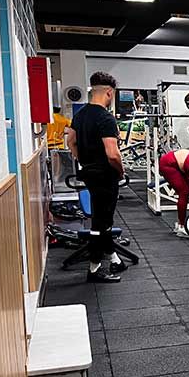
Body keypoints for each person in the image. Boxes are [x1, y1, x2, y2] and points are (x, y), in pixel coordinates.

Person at [65, 71, 126, 283]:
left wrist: (84, 159)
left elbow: (70, 142)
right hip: (105, 175)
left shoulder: (80, 115)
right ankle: (94, 269)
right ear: (109, 93)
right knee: (101, 224)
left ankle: (114, 258)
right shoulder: (105, 118)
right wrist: (121, 170)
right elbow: (112, 153)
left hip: (90, 173)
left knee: (103, 219)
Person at [159, 148, 189, 238]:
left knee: (186, 190)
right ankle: (180, 227)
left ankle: (180, 224)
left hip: (181, 162)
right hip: (168, 163)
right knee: (184, 192)